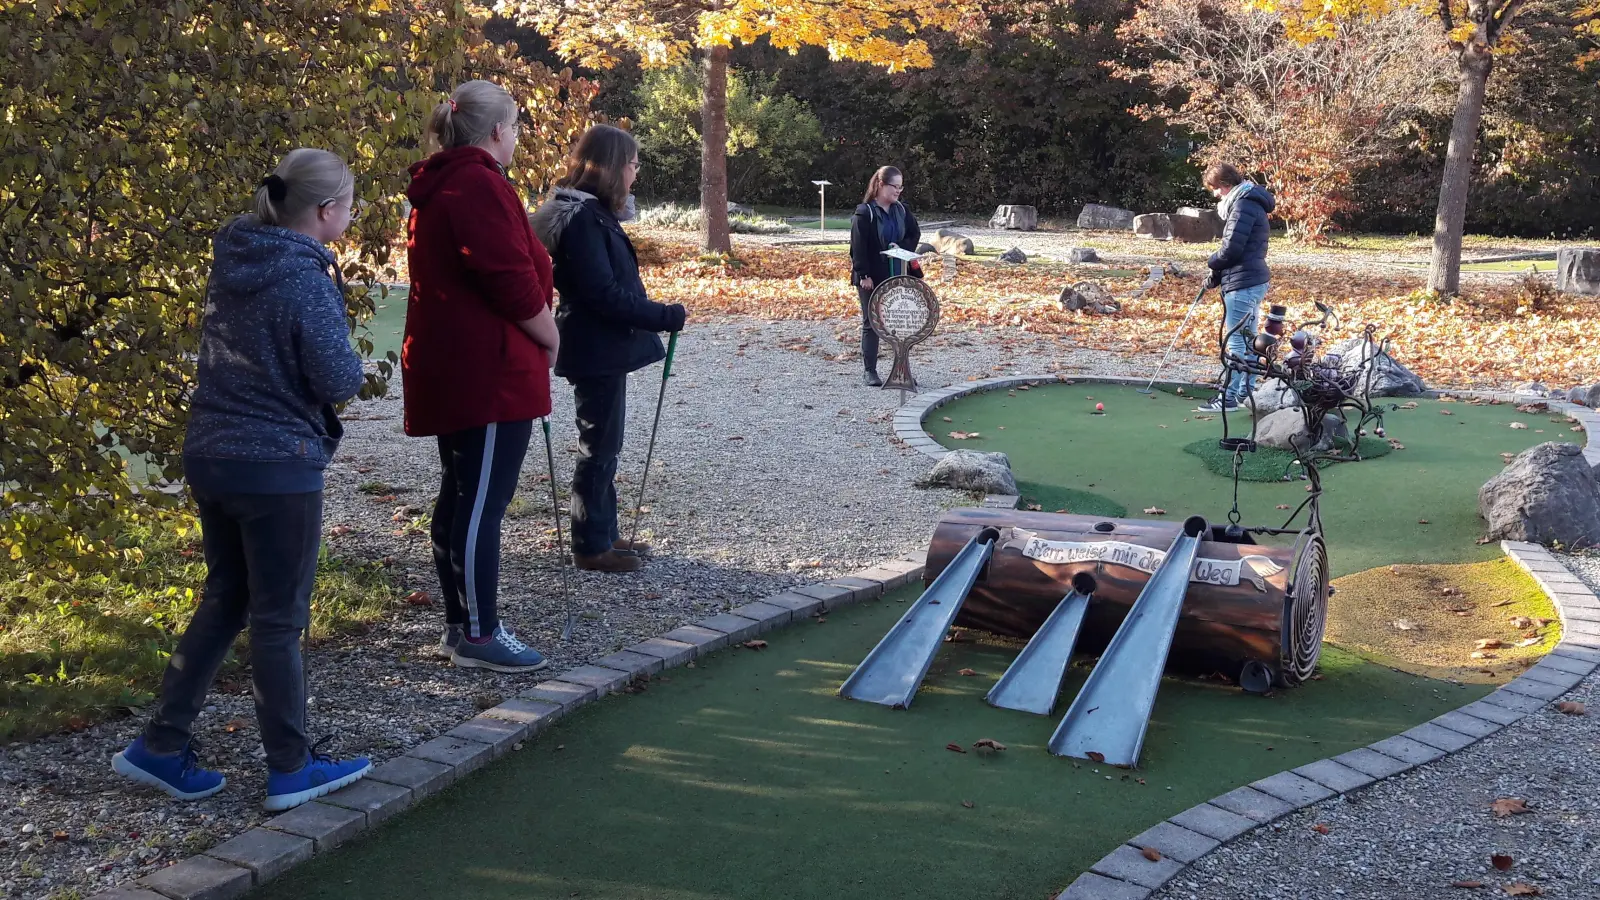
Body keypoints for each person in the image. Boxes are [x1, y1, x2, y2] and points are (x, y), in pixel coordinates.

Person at [112, 149, 372, 811]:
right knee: (279, 618)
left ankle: (161, 745)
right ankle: (290, 768)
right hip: (275, 463)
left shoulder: (236, 260)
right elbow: (340, 377)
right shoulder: (303, 276)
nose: (352, 213)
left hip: (213, 451)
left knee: (227, 597)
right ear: (324, 212)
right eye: (348, 204)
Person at [403, 80, 560, 672]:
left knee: (463, 496)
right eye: (515, 126)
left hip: (465, 364)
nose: (517, 136)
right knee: (480, 504)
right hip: (488, 371)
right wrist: (550, 335)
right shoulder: (475, 183)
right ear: (497, 130)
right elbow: (509, 279)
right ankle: (478, 630)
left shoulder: (451, 182)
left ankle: (460, 625)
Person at [530, 125, 687, 574]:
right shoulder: (583, 220)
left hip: (600, 346)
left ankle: (603, 531)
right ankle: (589, 544)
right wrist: (661, 315)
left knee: (606, 444)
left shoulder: (595, 214)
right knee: (597, 447)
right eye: (634, 164)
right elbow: (602, 293)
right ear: (615, 166)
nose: (636, 172)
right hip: (592, 346)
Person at [1198, 162, 1276, 413]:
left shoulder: (1242, 205)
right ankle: (1245, 392)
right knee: (1249, 339)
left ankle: (1229, 397)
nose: (1215, 194)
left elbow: (1232, 248)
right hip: (1251, 278)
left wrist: (1213, 262)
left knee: (1236, 343)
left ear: (1225, 185)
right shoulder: (1251, 202)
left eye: (1215, 189)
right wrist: (1219, 272)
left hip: (1243, 282)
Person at [848, 166, 922, 386]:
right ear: (881, 185)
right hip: (871, 276)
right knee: (872, 322)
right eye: (894, 186)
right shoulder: (864, 213)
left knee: (900, 321)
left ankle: (901, 370)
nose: (898, 191)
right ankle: (869, 371)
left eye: (901, 187)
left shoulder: (902, 209)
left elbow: (914, 233)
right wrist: (864, 275)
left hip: (897, 273)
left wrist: (900, 246)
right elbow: (857, 247)